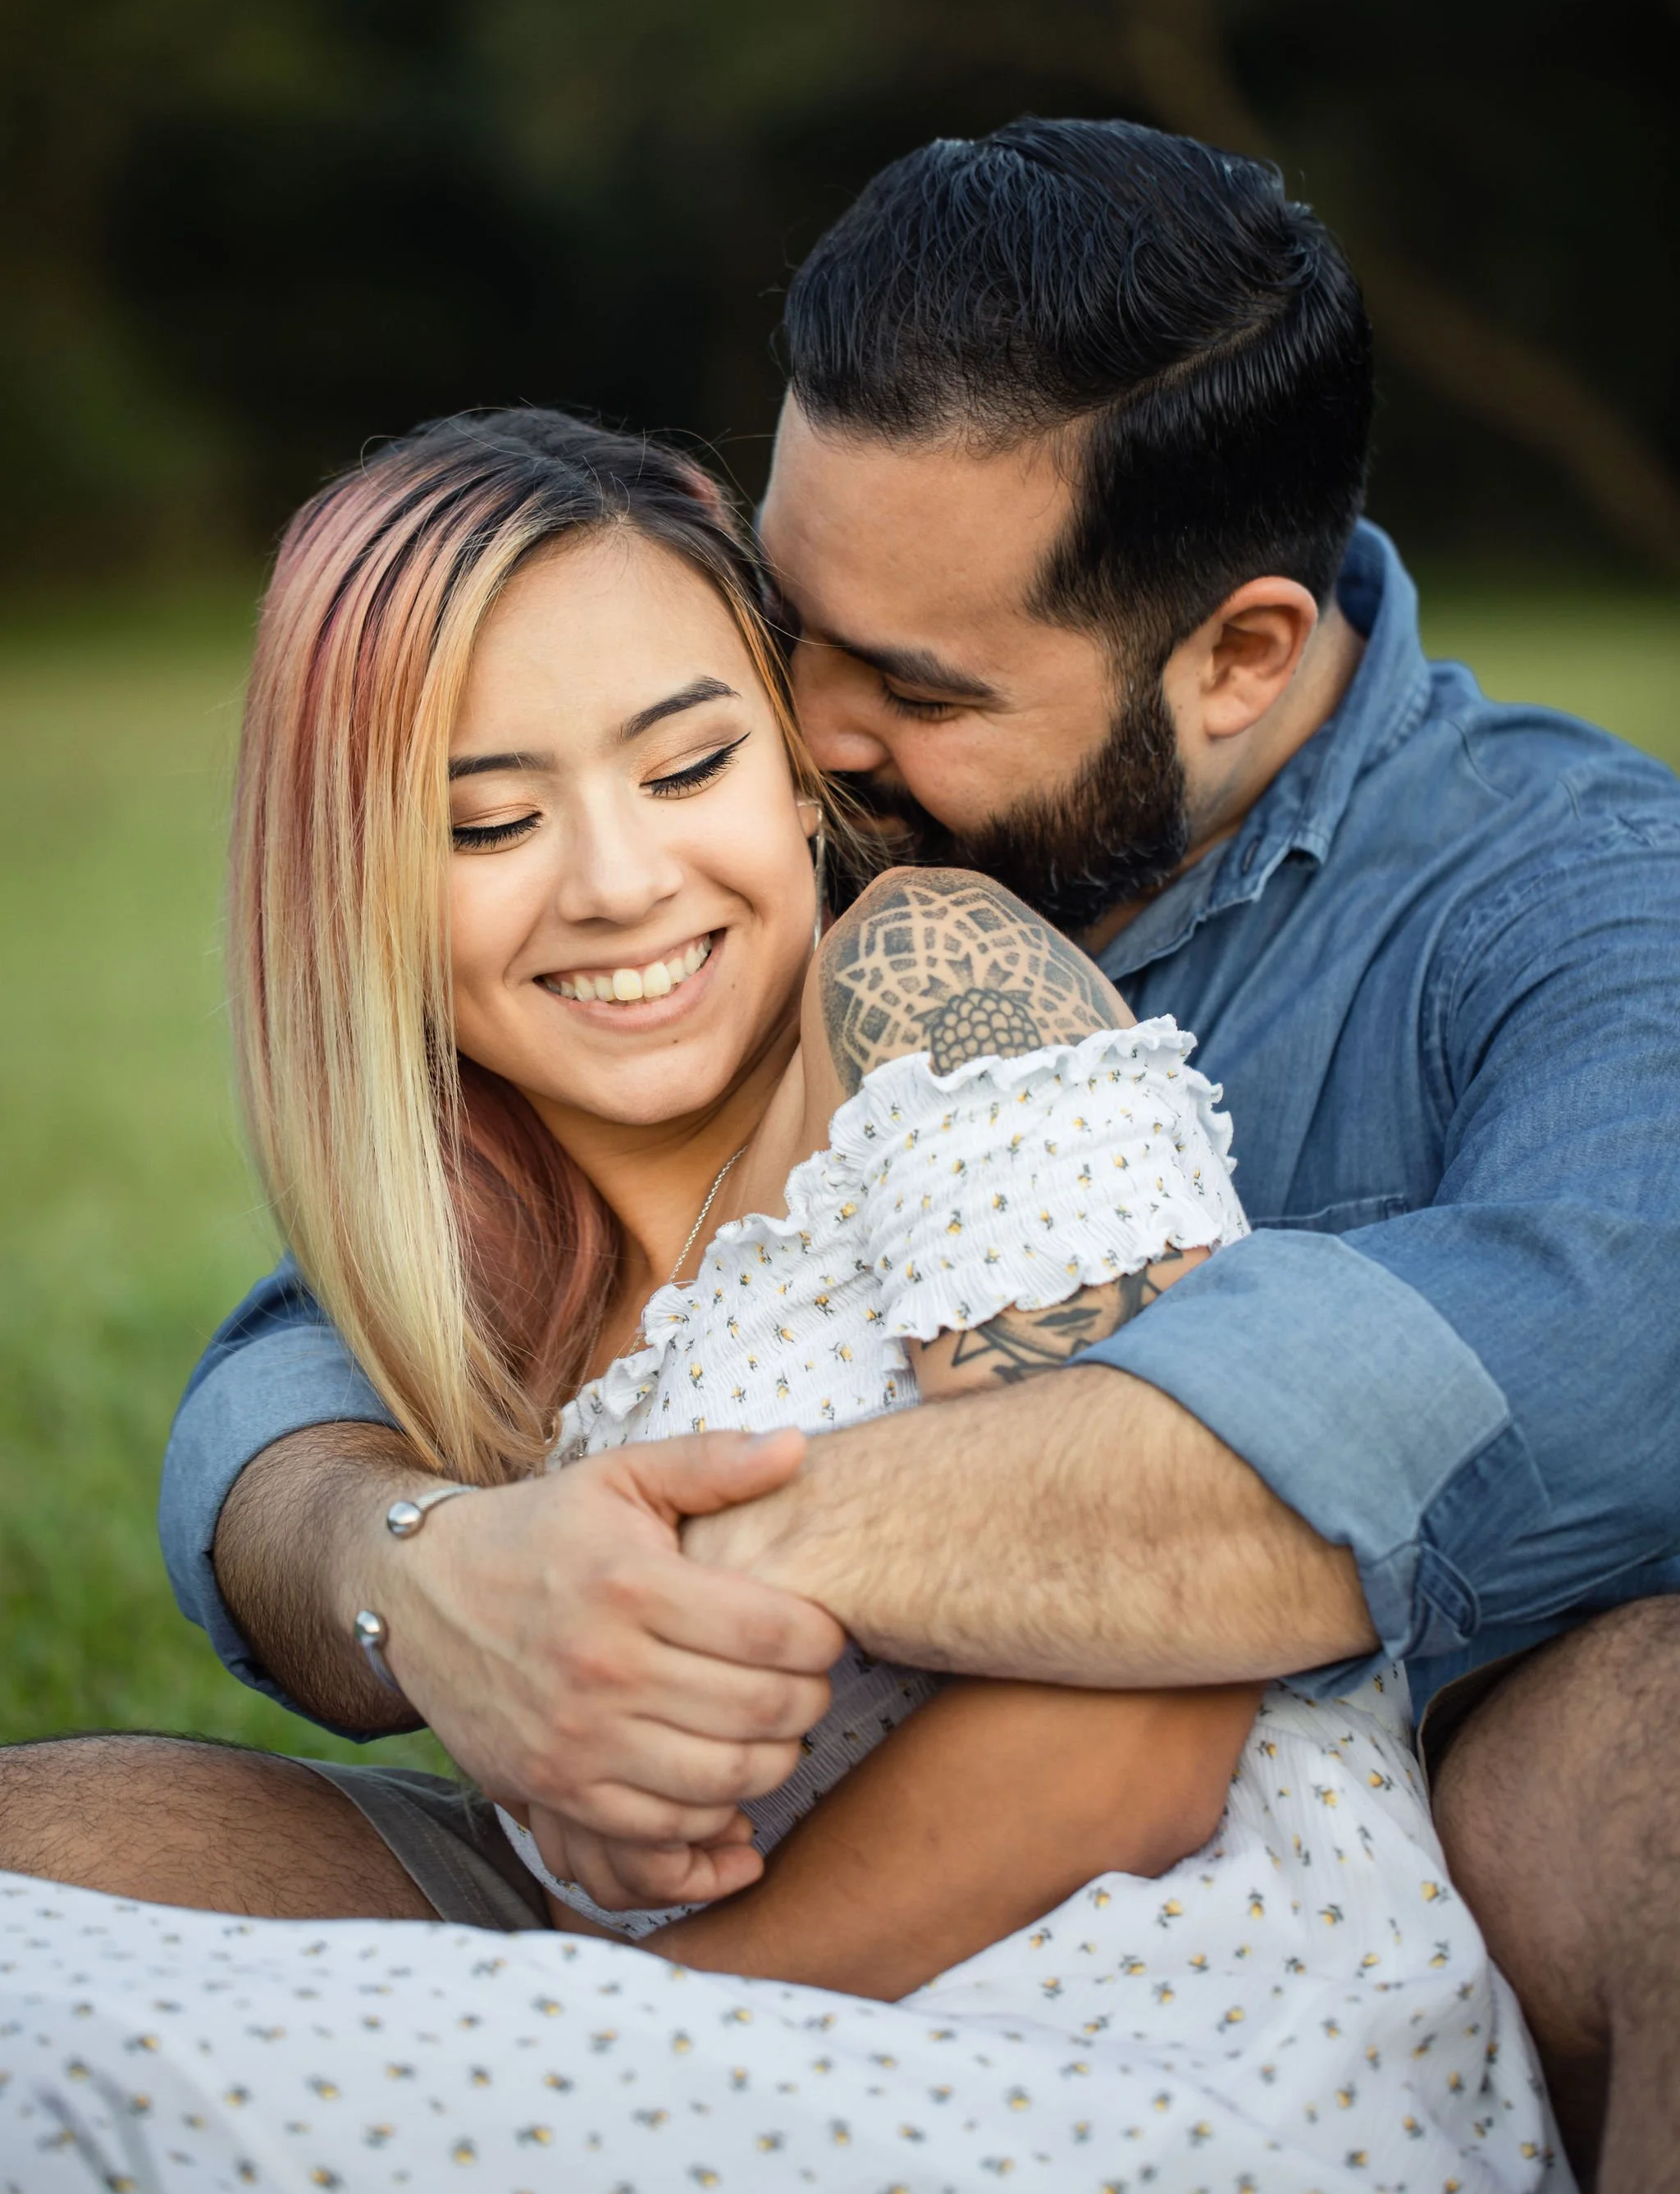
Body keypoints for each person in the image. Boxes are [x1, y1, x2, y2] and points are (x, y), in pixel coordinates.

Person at [13, 119, 1680, 2176]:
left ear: (1238, 656)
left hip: (1290, 1918)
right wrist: (407, 1564)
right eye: (780, 632)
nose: (806, 732)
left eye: (901, 680)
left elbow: (1590, 1356)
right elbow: (312, 1361)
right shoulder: (763, 890)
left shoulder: (1556, 911)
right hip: (731, 1903)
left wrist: (676, 1571)